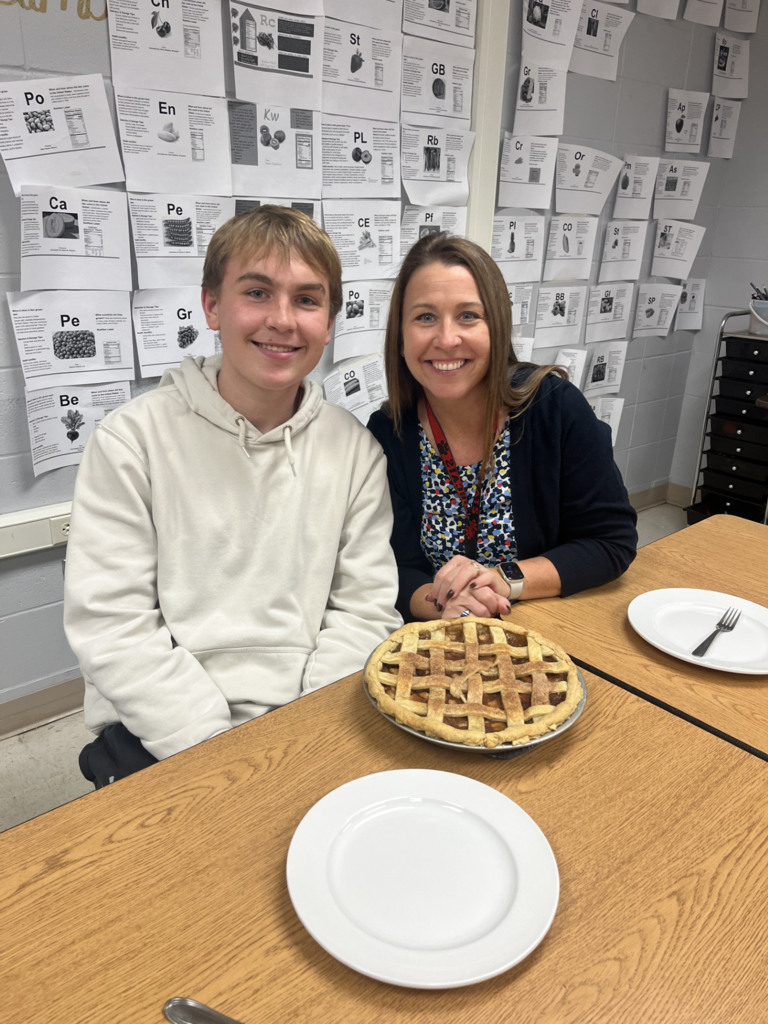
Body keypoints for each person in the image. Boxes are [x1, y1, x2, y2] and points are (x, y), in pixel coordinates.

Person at [64, 206, 402, 787]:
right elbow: (112, 625)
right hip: (165, 731)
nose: (282, 320)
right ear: (213, 306)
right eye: (257, 292)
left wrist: (303, 736)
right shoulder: (131, 442)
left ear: (329, 322)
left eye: (307, 299)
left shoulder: (355, 451)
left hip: (310, 715)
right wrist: (216, 753)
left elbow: (364, 608)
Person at [367, 232, 637, 623]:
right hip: (438, 632)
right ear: (400, 337)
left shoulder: (553, 407)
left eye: (468, 316)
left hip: (547, 625)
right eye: (425, 317)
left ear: (497, 328)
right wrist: (446, 605)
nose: (446, 338)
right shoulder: (389, 432)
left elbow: (610, 542)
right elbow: (396, 569)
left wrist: (500, 579)